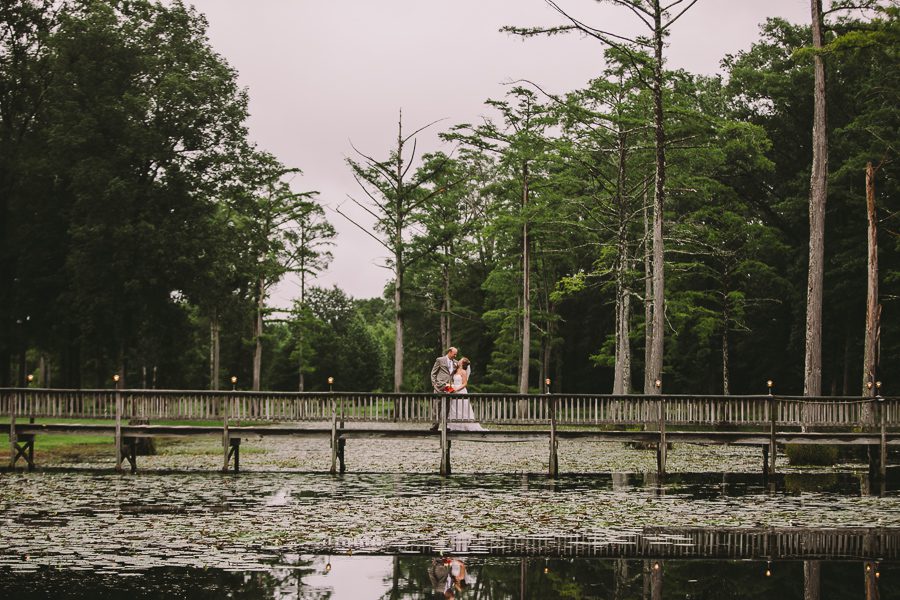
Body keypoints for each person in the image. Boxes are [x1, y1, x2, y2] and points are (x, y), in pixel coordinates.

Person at [447, 357, 485, 431]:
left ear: (462, 363)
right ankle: (454, 426)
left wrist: (456, 389)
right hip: (454, 391)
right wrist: (450, 388)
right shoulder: (456, 370)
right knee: (454, 408)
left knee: (462, 408)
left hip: (461, 391)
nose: (458, 361)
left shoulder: (463, 372)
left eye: (460, 360)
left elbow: (464, 384)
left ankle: (464, 425)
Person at [430, 347, 458, 431]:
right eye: (454, 354)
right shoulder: (440, 360)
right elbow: (433, 373)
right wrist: (434, 384)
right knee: (436, 406)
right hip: (439, 386)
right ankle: (435, 425)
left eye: (456, 354)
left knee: (447, 407)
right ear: (450, 352)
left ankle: (445, 426)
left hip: (449, 387)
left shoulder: (456, 363)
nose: (455, 356)